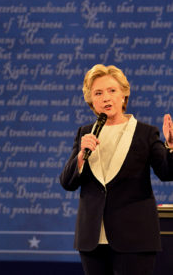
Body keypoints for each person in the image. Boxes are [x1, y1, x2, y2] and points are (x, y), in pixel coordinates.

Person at [60, 64, 173, 275]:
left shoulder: (145, 133)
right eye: (98, 93)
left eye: (112, 90)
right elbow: (67, 183)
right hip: (92, 240)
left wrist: (171, 147)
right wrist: (81, 156)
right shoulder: (85, 134)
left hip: (135, 239)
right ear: (91, 101)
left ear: (124, 94)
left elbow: (167, 173)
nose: (106, 98)